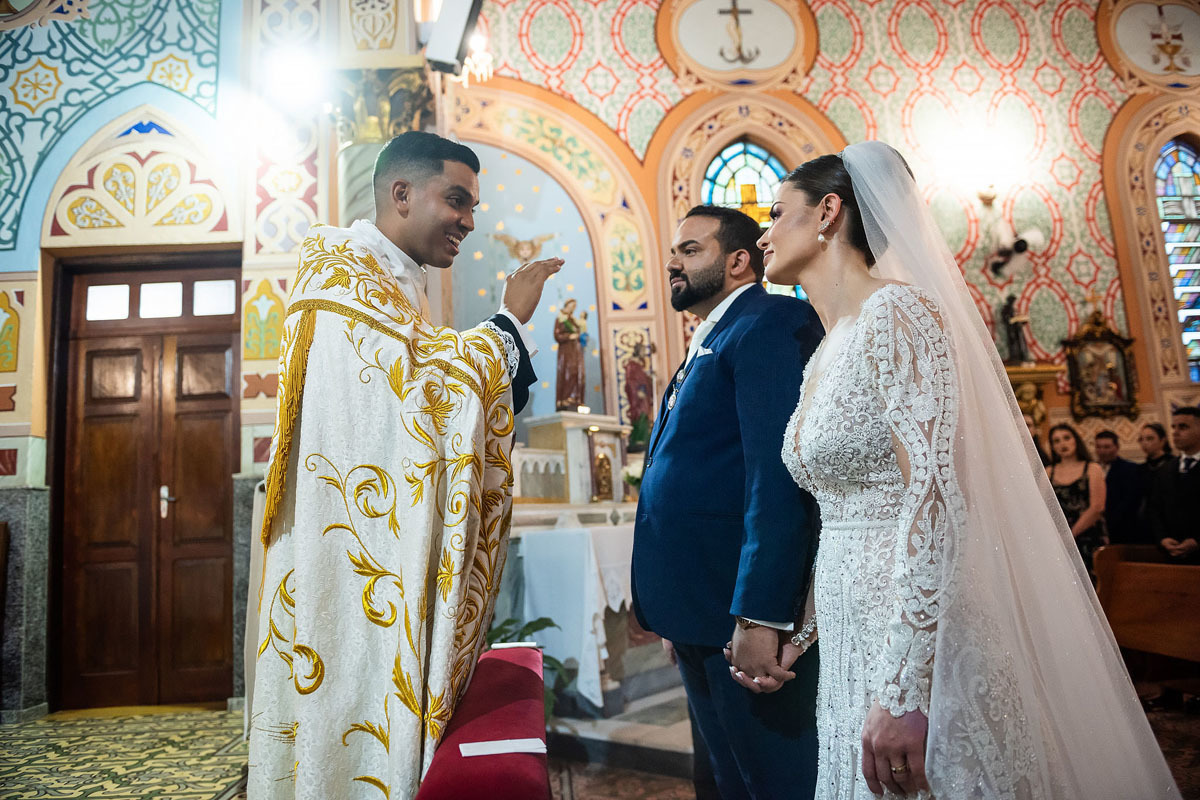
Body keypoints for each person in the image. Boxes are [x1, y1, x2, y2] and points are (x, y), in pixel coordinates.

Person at [739, 142, 1179, 799]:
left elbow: (934, 496)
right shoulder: (828, 349)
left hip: (921, 638)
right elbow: (843, 519)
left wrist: (906, 691)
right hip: (852, 629)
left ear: (829, 212)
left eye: (777, 213)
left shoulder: (901, 314)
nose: (764, 233)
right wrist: (800, 637)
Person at [248, 131, 561, 799]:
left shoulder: (391, 284)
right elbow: (427, 393)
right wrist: (509, 322)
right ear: (400, 194)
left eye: (473, 206)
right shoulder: (341, 274)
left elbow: (417, 400)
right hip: (347, 568)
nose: (470, 223)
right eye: (456, 200)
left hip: (370, 550)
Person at [631, 205, 824, 798]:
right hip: (699, 607)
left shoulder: (769, 322)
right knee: (723, 779)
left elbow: (775, 474)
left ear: (740, 261)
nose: (673, 263)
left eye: (690, 250)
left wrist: (761, 613)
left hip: (738, 611)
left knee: (770, 779)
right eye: (673, 252)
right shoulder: (712, 335)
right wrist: (674, 607)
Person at [1046, 423, 1108, 570]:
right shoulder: (1048, 472)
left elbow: (1097, 507)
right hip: (1058, 537)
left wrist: (1071, 535)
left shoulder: (1092, 468)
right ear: (1053, 447)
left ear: (1075, 440)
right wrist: (1057, 535)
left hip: (1088, 535)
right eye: (1057, 441)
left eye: (1066, 438)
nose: (1062, 444)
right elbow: (1042, 507)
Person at [1144, 406, 1200, 564]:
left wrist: (1197, 541)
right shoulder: (1167, 469)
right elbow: (1155, 508)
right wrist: (1163, 538)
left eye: (1183, 427)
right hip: (1173, 554)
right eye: (1173, 427)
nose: (1175, 432)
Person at [1094, 429, 1145, 545]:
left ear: (1116, 447)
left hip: (1124, 528)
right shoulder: (1091, 469)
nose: (1102, 451)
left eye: (1107, 447)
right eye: (1098, 447)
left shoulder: (1131, 469)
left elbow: (1131, 500)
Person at [554, 297, 586, 410]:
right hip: (566, 351)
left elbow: (580, 333)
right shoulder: (561, 319)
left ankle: (575, 397)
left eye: (574, 307)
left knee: (578, 372)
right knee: (568, 371)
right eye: (571, 306)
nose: (572, 309)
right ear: (567, 306)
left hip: (576, 350)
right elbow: (557, 335)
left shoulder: (573, 320)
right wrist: (569, 336)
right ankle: (566, 398)